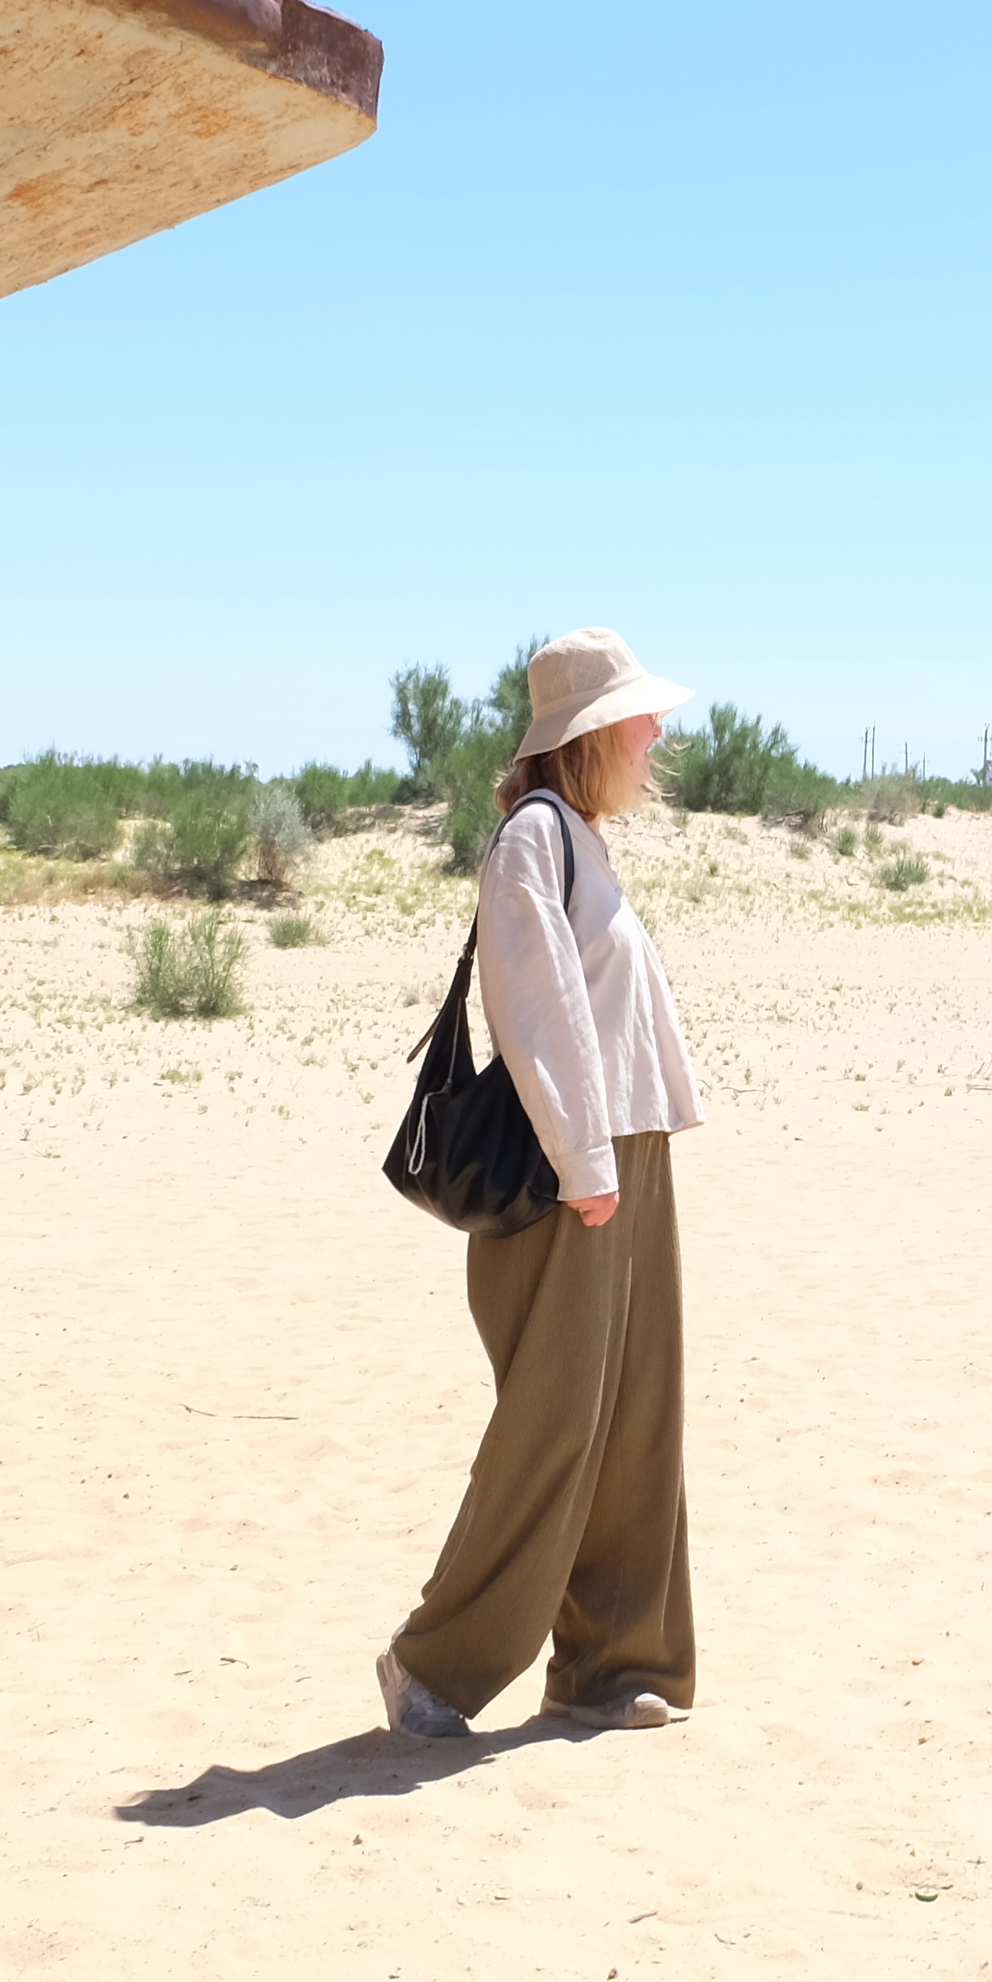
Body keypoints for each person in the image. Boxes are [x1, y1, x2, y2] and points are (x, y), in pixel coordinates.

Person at [377, 628, 705, 1740]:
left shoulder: (583, 839)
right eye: (640, 721)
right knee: (556, 1424)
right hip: (581, 1168)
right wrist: (586, 1163)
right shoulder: (534, 841)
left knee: (635, 1418)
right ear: (590, 737)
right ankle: (435, 1666)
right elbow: (538, 1009)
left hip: (625, 1154)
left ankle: (614, 1669)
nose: (656, 738)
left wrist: (619, 1156)